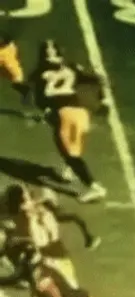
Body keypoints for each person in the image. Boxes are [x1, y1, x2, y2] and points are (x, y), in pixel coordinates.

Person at [26, 39, 108, 202]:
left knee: (68, 153)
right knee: (73, 149)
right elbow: (99, 79)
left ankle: (94, 186)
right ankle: (69, 171)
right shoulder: (72, 66)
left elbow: (39, 97)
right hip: (81, 112)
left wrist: (46, 110)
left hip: (64, 114)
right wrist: (104, 100)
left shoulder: (38, 72)